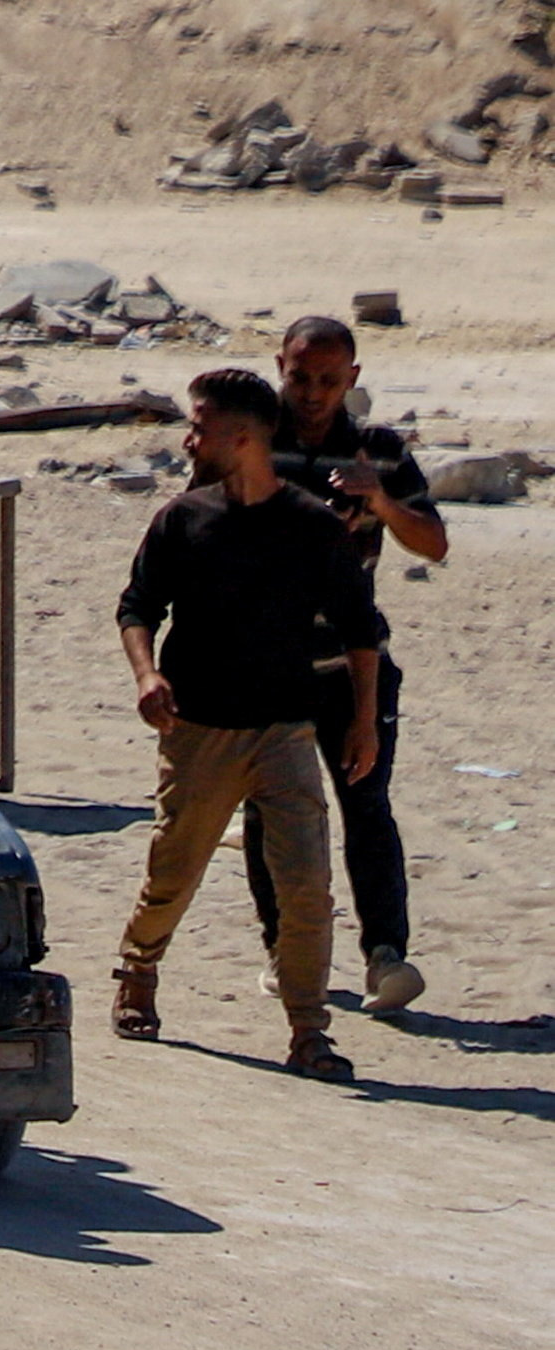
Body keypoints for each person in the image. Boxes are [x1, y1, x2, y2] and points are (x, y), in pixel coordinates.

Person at [110, 366, 385, 1081]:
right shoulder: (183, 519)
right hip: (199, 728)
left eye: (199, 426)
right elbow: (138, 607)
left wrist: (365, 724)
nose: (188, 437)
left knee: (306, 886)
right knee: (175, 870)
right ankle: (138, 972)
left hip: (285, 730)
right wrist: (147, 675)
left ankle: (308, 1031)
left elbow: (363, 632)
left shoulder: (312, 529)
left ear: (240, 437)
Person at [254, 310, 444, 1015]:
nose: (311, 392)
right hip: (268, 664)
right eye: (301, 376)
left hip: (355, 663)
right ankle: (284, 949)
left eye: (329, 381)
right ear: (282, 366)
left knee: (366, 804)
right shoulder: (252, 440)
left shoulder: (380, 450)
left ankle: (385, 955)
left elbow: (434, 544)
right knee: (272, 809)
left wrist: (379, 502)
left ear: (352, 380)